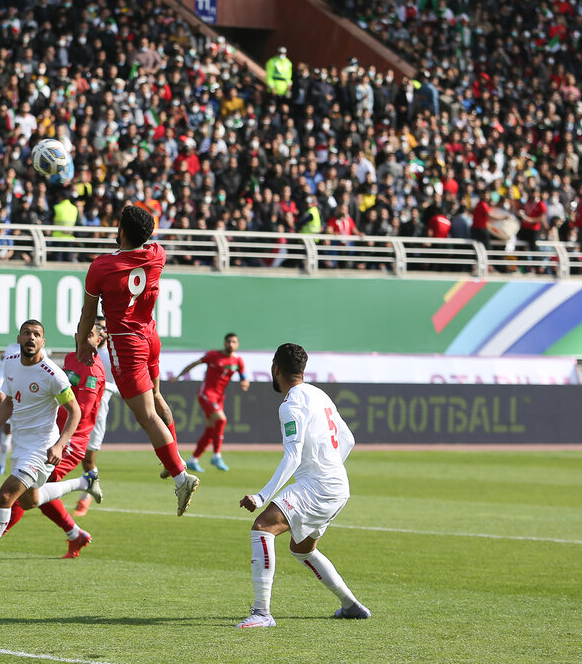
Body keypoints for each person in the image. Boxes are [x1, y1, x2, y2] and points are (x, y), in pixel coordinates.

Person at [75, 205, 200, 516]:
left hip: (126, 344)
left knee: (145, 416)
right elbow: (145, 243)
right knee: (156, 397)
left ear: (120, 231)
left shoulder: (101, 267)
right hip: (151, 336)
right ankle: (173, 456)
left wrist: (81, 344)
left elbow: (89, 315)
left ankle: (181, 476)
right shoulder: (158, 254)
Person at [236, 343, 369, 628]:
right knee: (302, 549)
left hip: (318, 485)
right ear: (302, 370)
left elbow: (293, 456)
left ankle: (262, 613)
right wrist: (330, 466)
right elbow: (348, 440)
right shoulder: (319, 395)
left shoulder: (291, 404)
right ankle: (351, 606)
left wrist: (261, 496)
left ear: (276, 369)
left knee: (262, 528)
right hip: (338, 485)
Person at [0, 324, 105, 558]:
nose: (85, 338)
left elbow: (82, 410)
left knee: (19, 490)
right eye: (82, 333)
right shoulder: (68, 359)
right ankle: (76, 529)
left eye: (91, 335)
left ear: (99, 340)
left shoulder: (92, 370)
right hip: (46, 436)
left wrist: (54, 431)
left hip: (69, 440)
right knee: (32, 494)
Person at [170, 332, 249, 473]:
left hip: (219, 397)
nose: (231, 344)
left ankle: (193, 460)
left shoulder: (237, 361)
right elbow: (194, 364)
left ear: (237, 344)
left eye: (234, 342)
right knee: (222, 420)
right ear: (224, 343)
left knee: (210, 430)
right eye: (228, 341)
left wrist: (244, 383)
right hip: (207, 394)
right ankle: (217, 455)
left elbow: (243, 376)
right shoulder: (213, 355)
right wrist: (178, 376)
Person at [74, 316, 118, 518]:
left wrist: (103, 386)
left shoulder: (111, 357)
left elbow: (122, 386)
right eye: (97, 328)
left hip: (97, 413)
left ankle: (87, 493)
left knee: (88, 460)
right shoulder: (78, 355)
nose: (101, 332)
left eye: (103, 329)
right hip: (74, 412)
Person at [0, 338, 42, 474]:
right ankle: (1, 464)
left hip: (31, 397)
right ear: (19, 337)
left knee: (28, 430)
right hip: (13, 395)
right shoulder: (11, 349)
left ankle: (26, 464)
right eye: (25, 333)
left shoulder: (41, 351)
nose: (30, 337)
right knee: (7, 428)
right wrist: (0, 390)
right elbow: (3, 371)